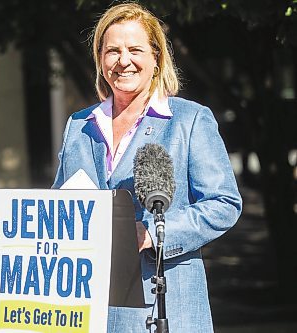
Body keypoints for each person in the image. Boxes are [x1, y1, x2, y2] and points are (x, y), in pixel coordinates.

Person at [52, 2, 242, 332]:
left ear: (156, 57)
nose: (123, 61)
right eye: (112, 51)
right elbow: (59, 203)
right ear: (100, 59)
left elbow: (224, 204)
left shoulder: (190, 120)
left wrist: (152, 233)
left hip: (167, 307)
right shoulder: (78, 125)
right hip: (90, 310)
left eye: (135, 49)